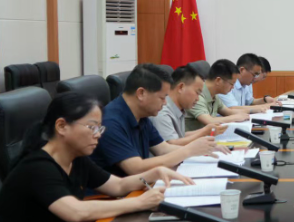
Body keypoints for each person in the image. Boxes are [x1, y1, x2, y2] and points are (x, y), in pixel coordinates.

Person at [0, 92, 192, 222]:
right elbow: (76, 212)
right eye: (92, 127)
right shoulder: (37, 167)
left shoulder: (75, 158)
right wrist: (139, 202)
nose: (98, 135)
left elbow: (118, 185)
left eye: (99, 128)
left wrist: (154, 173)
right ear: (61, 126)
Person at [90, 64, 221, 176]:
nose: (165, 103)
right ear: (141, 93)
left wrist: (203, 148)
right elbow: (135, 167)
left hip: (139, 186)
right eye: (162, 98)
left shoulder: (142, 115)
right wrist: (188, 151)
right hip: (116, 195)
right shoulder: (110, 122)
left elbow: (163, 149)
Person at [152, 66, 228, 145]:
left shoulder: (179, 108)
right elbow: (172, 144)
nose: (198, 99)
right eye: (197, 93)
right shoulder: (162, 111)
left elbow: (180, 136)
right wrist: (204, 132)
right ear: (181, 87)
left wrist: (207, 131)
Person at [186, 59, 250, 132]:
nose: (233, 87)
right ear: (218, 80)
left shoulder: (214, 95)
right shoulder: (197, 95)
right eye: (232, 84)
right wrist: (235, 118)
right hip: (191, 138)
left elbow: (228, 111)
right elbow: (210, 121)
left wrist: (247, 115)